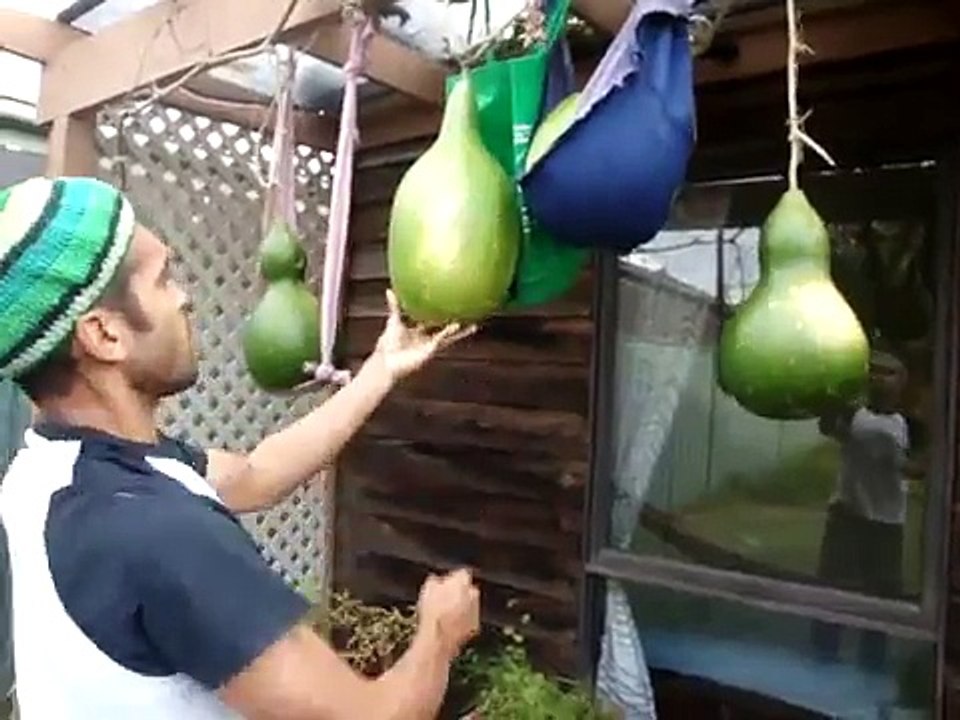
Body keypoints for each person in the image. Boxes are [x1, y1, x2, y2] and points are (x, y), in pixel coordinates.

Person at [0, 175, 481, 719]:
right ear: (104, 335)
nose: (185, 298)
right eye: (163, 281)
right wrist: (439, 634)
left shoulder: (48, 469)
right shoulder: (155, 530)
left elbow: (256, 473)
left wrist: (381, 368)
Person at [811, 349, 920, 670]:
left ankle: (872, 665)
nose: (879, 378)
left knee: (881, 599)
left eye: (889, 372)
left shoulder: (910, 424)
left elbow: (918, 467)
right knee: (833, 591)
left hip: (887, 523)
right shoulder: (853, 413)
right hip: (847, 515)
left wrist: (905, 461)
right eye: (873, 370)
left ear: (903, 380)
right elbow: (827, 425)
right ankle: (822, 660)